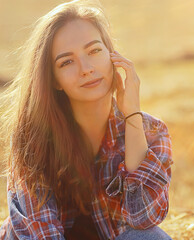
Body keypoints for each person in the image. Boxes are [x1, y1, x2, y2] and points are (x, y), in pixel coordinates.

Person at [0, 0, 173, 239]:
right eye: (67, 62)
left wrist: (132, 115)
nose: (86, 68)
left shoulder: (152, 131)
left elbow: (144, 218)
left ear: (113, 55)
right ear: (54, 80)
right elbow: (41, 233)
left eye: (94, 51)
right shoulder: (32, 137)